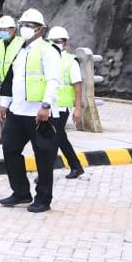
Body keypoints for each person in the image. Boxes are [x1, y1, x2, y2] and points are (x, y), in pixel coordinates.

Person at [0, 8, 62, 213]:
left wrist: (46, 105)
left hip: (39, 113)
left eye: (29, 26)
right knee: (10, 148)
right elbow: (11, 80)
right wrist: (4, 103)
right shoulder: (21, 50)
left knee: (43, 156)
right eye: (22, 25)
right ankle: (21, 192)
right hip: (18, 112)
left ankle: (44, 198)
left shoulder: (48, 50)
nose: (24, 29)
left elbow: (54, 80)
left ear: (40, 30)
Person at [47, 26, 85, 179]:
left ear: (65, 43)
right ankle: (76, 166)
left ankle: (45, 172)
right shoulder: (47, 58)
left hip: (62, 107)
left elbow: (77, 86)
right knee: (60, 137)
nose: (56, 43)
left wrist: (77, 109)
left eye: (59, 41)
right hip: (49, 105)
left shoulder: (71, 61)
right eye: (53, 41)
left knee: (52, 140)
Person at [0, 14, 22, 144]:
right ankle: (7, 136)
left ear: (13, 29)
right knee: (5, 110)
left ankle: (11, 136)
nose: (2, 32)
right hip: (6, 82)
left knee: (15, 110)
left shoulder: (21, 43)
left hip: (18, 81)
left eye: (5, 29)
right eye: (1, 30)